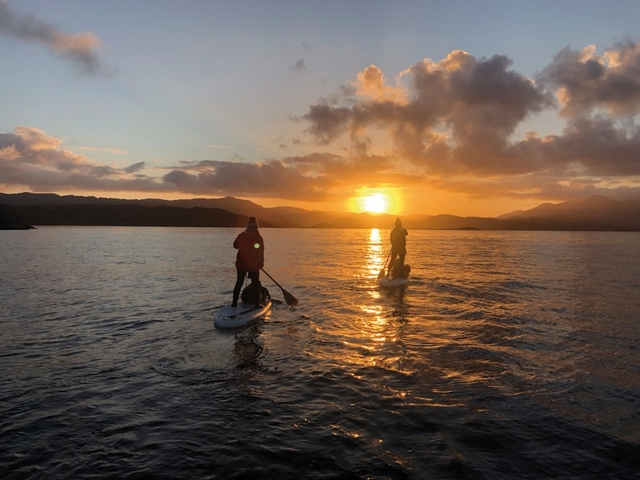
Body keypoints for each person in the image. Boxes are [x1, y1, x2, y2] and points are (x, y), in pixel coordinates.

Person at [232, 217, 265, 308]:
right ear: (256, 227)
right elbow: (260, 251)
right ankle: (257, 304)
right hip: (253, 265)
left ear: (247, 226)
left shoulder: (241, 236)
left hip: (241, 264)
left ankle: (234, 303)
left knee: (239, 282)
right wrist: (260, 263)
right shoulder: (258, 237)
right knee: (255, 283)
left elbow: (235, 246)